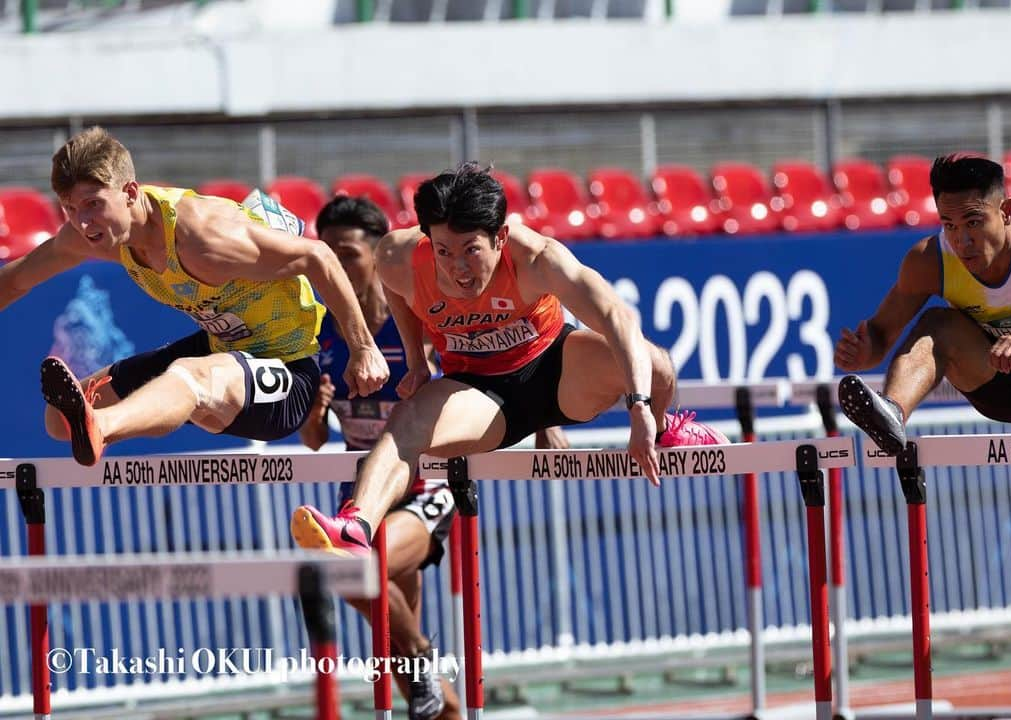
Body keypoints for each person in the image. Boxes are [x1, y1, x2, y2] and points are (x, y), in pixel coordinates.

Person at [291, 162, 726, 560]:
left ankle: (669, 426)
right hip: (478, 390)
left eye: (471, 251)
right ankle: (355, 527)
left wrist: (641, 409)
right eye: (443, 251)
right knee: (409, 420)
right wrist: (416, 361)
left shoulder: (538, 259)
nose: (458, 269)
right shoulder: (397, 256)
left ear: (499, 237)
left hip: (555, 373)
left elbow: (617, 317)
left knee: (656, 363)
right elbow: (399, 291)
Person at [298, 195, 568, 719]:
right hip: (362, 495)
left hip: (425, 491)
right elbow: (312, 440)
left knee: (352, 575)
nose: (335, 264)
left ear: (379, 255)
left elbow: (508, 358)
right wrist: (317, 409)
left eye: (347, 252)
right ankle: (433, 681)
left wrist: (546, 418)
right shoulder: (325, 334)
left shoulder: (418, 314)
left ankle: (423, 657)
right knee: (407, 667)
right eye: (325, 253)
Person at [0, 126, 388, 465]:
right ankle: (107, 420)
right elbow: (16, 280)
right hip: (221, 348)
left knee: (189, 375)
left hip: (287, 369)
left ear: (131, 192)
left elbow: (316, 255)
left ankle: (104, 425)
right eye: (69, 209)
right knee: (61, 418)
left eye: (93, 205)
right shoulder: (92, 237)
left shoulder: (203, 236)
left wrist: (363, 348)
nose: (83, 223)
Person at [835, 153, 1011, 455]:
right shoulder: (929, 261)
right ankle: (892, 414)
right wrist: (864, 351)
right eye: (949, 225)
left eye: (973, 222)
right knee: (938, 324)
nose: (962, 241)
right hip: (1006, 380)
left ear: (1006, 211)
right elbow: (880, 334)